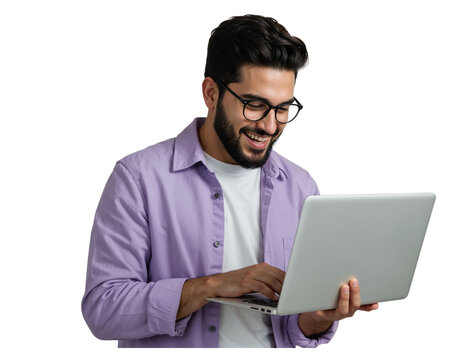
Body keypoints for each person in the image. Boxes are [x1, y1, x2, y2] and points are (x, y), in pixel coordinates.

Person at [81, 14, 378, 348]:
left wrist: (318, 318)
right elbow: (103, 309)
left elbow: (294, 326)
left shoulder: (300, 187)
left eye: (283, 109)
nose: (269, 126)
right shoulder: (139, 179)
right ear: (211, 93)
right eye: (254, 105)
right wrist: (210, 286)